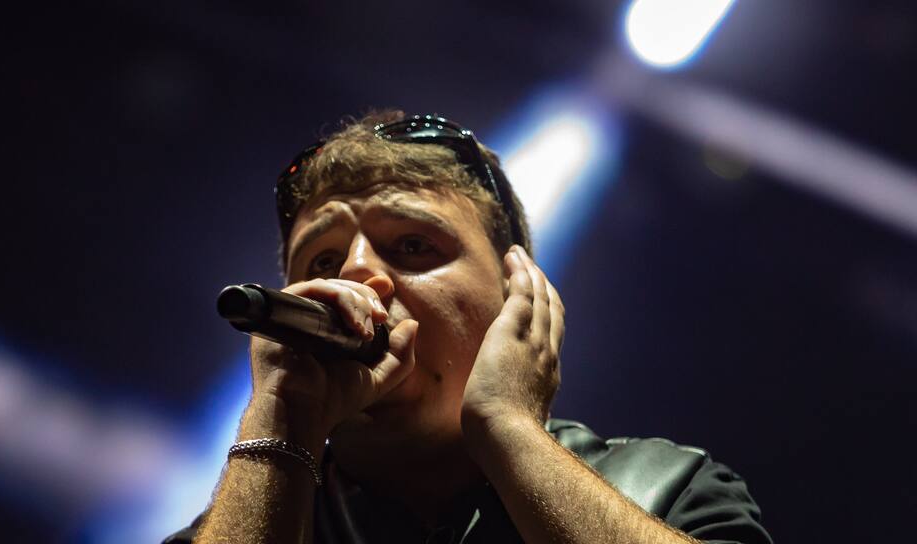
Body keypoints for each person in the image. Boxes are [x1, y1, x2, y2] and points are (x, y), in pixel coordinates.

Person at [166, 111, 771, 544]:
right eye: (322, 261)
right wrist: (279, 422)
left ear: (518, 294)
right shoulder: (243, 518)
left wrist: (508, 428)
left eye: (412, 245)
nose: (354, 273)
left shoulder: (667, 488)